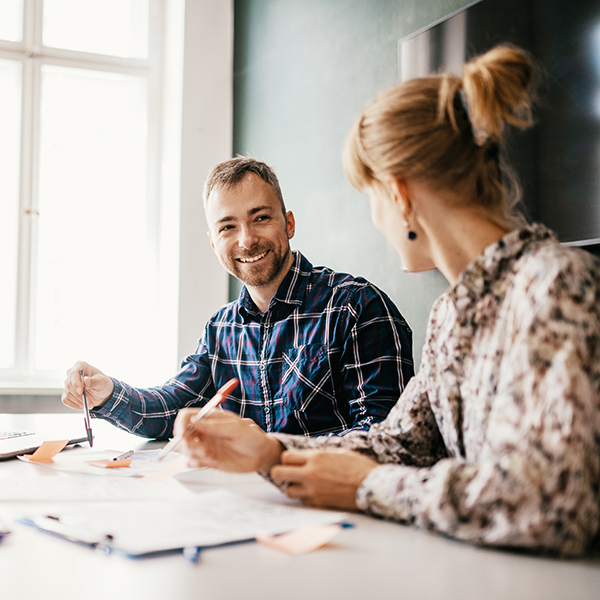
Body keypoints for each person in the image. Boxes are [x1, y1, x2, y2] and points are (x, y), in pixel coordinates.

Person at [173, 46, 600, 556]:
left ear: (397, 194)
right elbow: (400, 444)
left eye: (370, 198)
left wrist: (367, 487)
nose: (376, 219)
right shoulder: (452, 314)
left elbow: (550, 505)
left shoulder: (556, 285)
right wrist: (269, 450)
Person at [61, 157, 414, 439]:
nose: (246, 240)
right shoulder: (221, 329)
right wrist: (107, 393)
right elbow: (169, 411)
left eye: (260, 218)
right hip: (241, 509)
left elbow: (384, 436)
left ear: (288, 224)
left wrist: (272, 451)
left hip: (331, 512)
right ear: (213, 242)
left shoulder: (356, 306)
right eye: (227, 227)